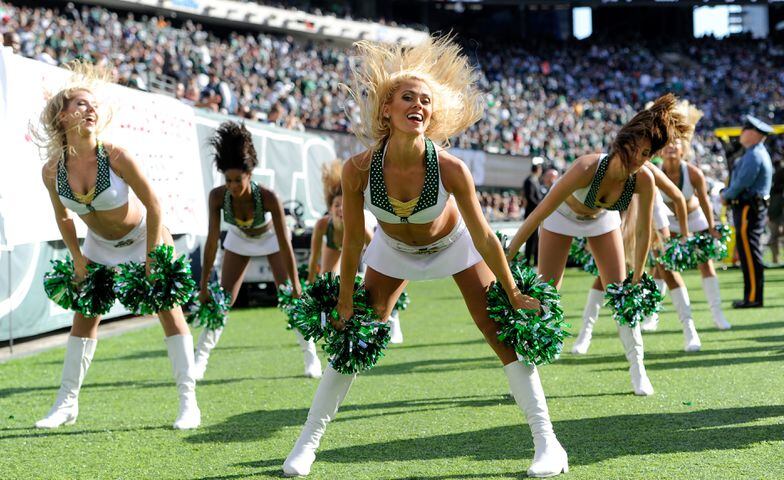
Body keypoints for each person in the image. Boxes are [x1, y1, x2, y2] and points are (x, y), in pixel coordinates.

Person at [283, 36, 568, 478]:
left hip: (454, 245)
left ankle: (549, 444)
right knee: (353, 341)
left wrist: (511, 290)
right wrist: (344, 298)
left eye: (425, 101)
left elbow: (486, 237)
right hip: (392, 251)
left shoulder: (451, 168)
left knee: (499, 334)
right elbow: (354, 241)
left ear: (432, 115)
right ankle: (306, 445)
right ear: (386, 110)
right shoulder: (358, 169)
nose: (418, 105)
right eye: (408, 98)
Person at [35, 62, 200, 430]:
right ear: (62, 116)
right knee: (84, 318)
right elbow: (63, 217)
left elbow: (155, 205)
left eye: (93, 104)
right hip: (98, 245)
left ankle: (189, 403)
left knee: (169, 312)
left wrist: (154, 255)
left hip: (144, 236)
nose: (90, 109)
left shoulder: (116, 156)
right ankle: (66, 404)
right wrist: (78, 260)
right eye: (80, 104)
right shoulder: (52, 170)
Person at [507, 93, 690, 396]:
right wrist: (511, 250)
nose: (639, 159)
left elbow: (644, 232)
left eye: (647, 154)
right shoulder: (587, 167)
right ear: (622, 143)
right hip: (561, 216)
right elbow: (541, 211)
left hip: (602, 218)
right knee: (546, 292)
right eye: (636, 150)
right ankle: (526, 373)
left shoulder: (643, 179)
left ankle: (638, 369)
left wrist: (637, 274)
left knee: (620, 295)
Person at [193, 121, 321, 380]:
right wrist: (205, 283)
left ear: (249, 175)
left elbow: (285, 243)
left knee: (290, 299)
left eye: (237, 180)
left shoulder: (269, 197)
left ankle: (311, 357)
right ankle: (200, 360)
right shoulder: (217, 197)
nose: (232, 186)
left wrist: (296, 284)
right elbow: (212, 242)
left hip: (270, 237)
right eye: (228, 180)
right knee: (222, 301)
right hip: (239, 238)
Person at [571, 161, 695, 354]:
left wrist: (685, 235)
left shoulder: (648, 169)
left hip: (652, 218)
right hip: (620, 221)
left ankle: (690, 331)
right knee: (605, 277)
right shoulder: (610, 165)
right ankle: (585, 335)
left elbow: (677, 196)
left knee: (667, 271)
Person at [653, 102, 732, 330]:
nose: (671, 147)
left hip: (695, 218)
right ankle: (652, 316)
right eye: (667, 143)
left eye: (675, 143)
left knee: (705, 264)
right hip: (669, 221)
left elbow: (706, 202)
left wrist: (712, 226)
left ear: (683, 149)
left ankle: (717, 315)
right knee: (660, 265)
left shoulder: (694, 173)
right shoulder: (656, 172)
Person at [306, 161, 403, 343]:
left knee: (378, 286)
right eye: (336, 205)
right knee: (327, 280)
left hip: (369, 243)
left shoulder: (362, 223)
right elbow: (313, 261)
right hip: (337, 243)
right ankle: (332, 325)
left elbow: (378, 253)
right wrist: (310, 287)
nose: (341, 209)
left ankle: (393, 318)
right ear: (329, 209)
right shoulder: (322, 225)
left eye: (344, 205)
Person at [721, 115, 774, 308]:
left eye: (745, 130)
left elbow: (741, 183)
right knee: (749, 253)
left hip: (747, 208)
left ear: (752, 133)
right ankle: (752, 296)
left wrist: (726, 195)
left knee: (749, 254)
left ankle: (753, 297)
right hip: (751, 208)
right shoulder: (755, 153)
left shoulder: (753, 155)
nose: (741, 133)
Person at [521, 158, 545, 265]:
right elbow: (530, 198)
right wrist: (540, 206)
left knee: (536, 238)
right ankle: (527, 260)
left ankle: (535, 260)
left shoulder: (535, 180)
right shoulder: (529, 181)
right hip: (531, 213)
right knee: (530, 238)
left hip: (536, 213)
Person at [766, 160, 784, 264]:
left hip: (775, 213)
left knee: (774, 237)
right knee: (774, 236)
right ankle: (775, 260)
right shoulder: (774, 189)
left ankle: (775, 259)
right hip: (775, 214)